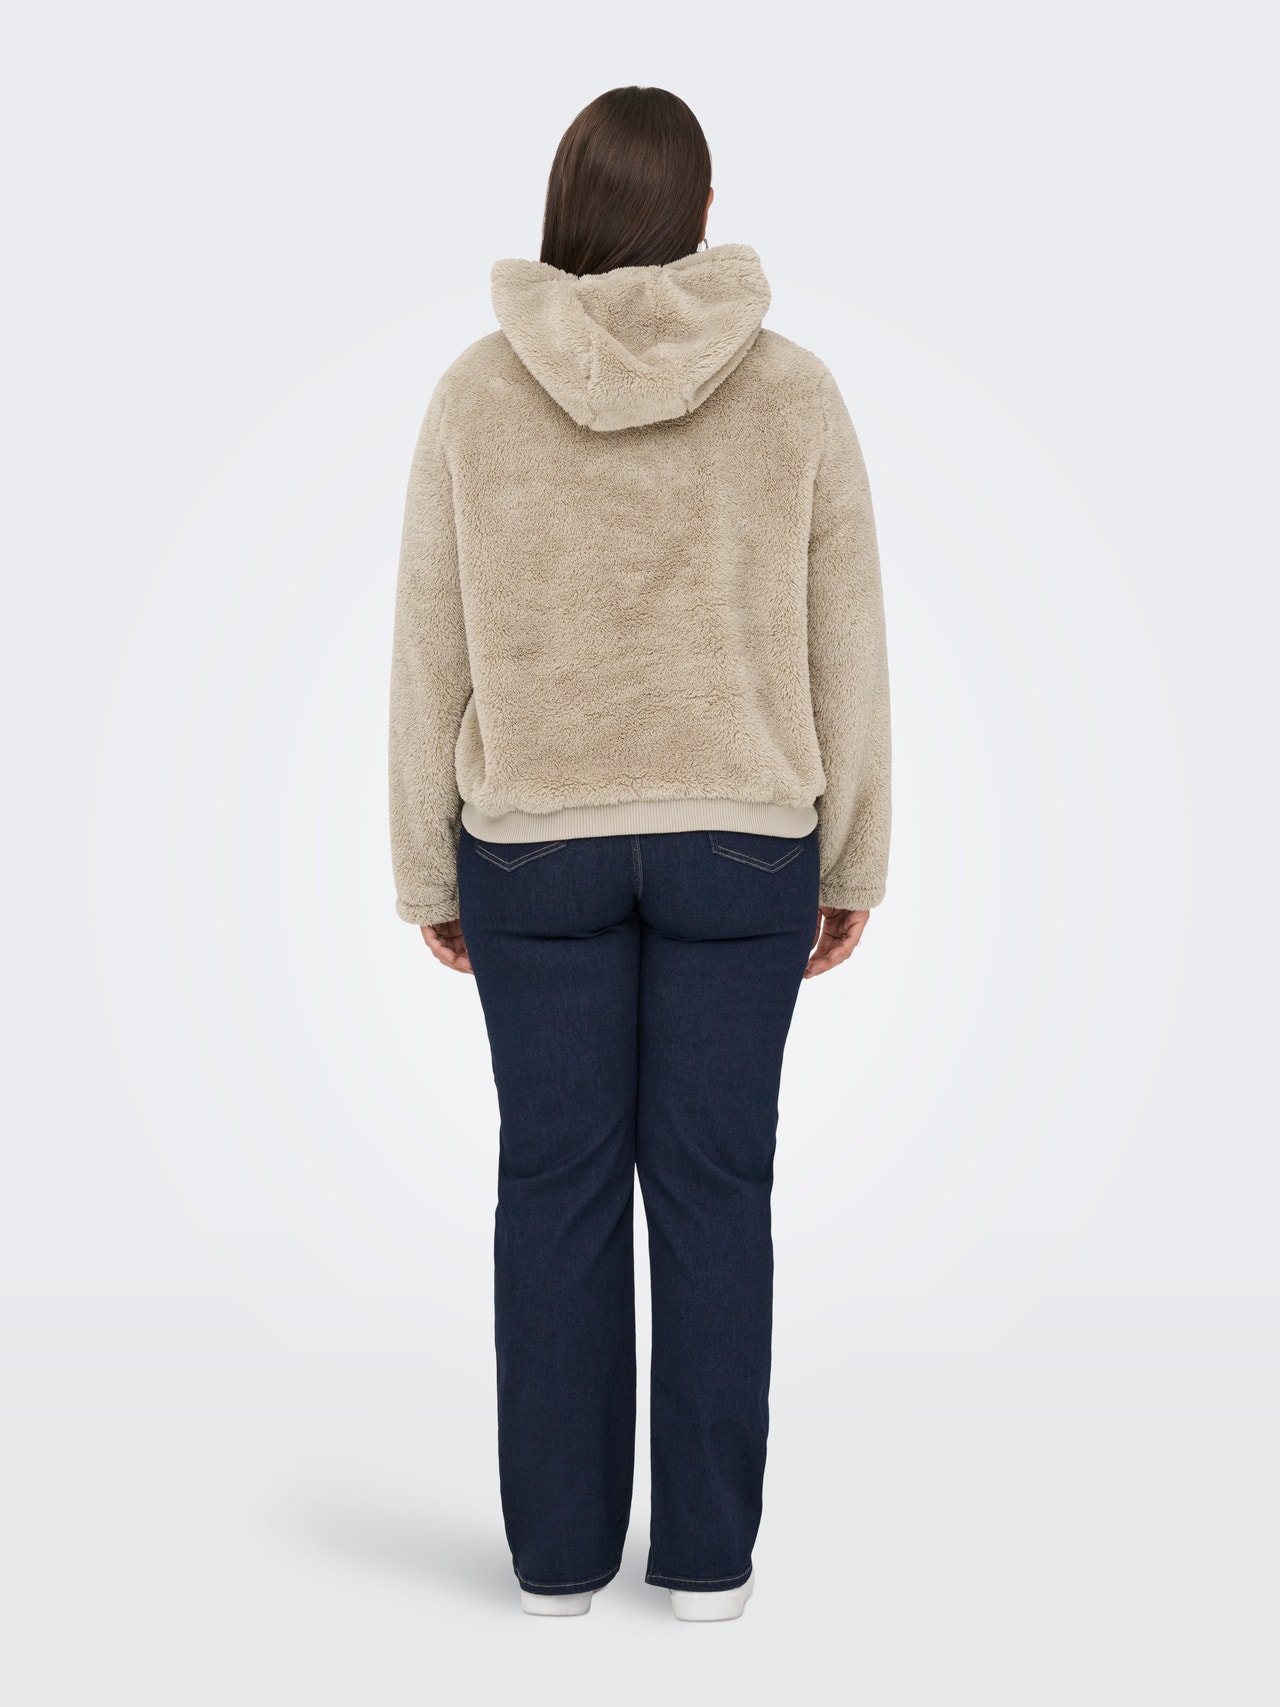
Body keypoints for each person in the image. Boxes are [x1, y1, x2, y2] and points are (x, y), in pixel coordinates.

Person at [388, 84, 892, 1623]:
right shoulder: (794, 393)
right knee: (715, 1193)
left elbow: (428, 649)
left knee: (555, 1191)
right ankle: (708, 1570)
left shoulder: (478, 393)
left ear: (566, 208)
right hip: (742, 849)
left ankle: (555, 1567)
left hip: (533, 854)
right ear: (704, 215)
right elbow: (848, 645)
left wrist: (425, 868)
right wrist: (853, 857)